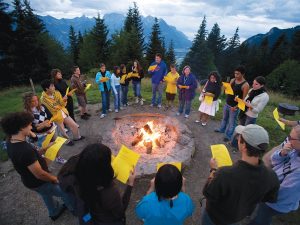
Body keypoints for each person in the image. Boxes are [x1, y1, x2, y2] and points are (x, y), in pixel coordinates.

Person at [0, 112, 74, 220]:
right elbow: (39, 174)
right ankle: (74, 209)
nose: (31, 127)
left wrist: (44, 149)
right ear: (21, 128)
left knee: (46, 194)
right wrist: (55, 179)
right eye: (29, 125)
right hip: (39, 182)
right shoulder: (24, 150)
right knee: (65, 191)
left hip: (29, 181)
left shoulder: (10, 141)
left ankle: (53, 212)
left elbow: (27, 159)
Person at [202, 124, 279, 225]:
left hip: (215, 217)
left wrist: (213, 169)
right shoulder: (272, 176)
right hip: (238, 217)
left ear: (243, 146)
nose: (237, 138)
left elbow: (208, 193)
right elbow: (269, 198)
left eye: (239, 137)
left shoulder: (223, 174)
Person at [59, 143, 135, 225]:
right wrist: (130, 184)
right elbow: (120, 212)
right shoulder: (109, 191)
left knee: (87, 218)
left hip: (87, 216)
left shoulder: (74, 175)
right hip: (108, 221)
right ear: (103, 169)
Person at [248, 125, 300, 225]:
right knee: (260, 212)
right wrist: (282, 153)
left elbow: (285, 192)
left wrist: (263, 193)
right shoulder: (295, 150)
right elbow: (274, 160)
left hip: (275, 201)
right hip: (271, 188)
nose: (288, 140)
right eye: (288, 136)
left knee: (262, 218)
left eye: (291, 138)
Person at [23, 92, 68, 162]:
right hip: (40, 135)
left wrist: (45, 123)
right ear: (28, 102)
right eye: (33, 101)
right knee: (44, 149)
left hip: (51, 129)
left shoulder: (42, 106)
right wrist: (43, 125)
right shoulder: (26, 113)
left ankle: (58, 157)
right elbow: (32, 128)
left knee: (55, 144)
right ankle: (44, 164)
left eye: (37, 100)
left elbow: (50, 116)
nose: (36, 102)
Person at [40, 79, 84, 144]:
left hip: (63, 112)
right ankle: (67, 141)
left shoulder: (57, 93)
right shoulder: (43, 99)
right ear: (46, 89)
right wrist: (61, 102)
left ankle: (77, 137)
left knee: (74, 125)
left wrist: (64, 100)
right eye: (52, 86)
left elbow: (63, 105)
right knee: (62, 131)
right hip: (56, 116)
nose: (54, 87)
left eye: (53, 86)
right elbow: (53, 108)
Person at [215, 65, 249, 142]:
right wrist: (225, 88)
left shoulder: (245, 85)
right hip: (227, 103)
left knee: (232, 122)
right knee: (224, 118)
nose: (236, 75)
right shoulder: (233, 80)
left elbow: (243, 100)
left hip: (234, 107)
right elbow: (229, 91)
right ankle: (221, 129)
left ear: (242, 74)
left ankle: (228, 136)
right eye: (235, 73)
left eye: (238, 74)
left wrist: (236, 107)